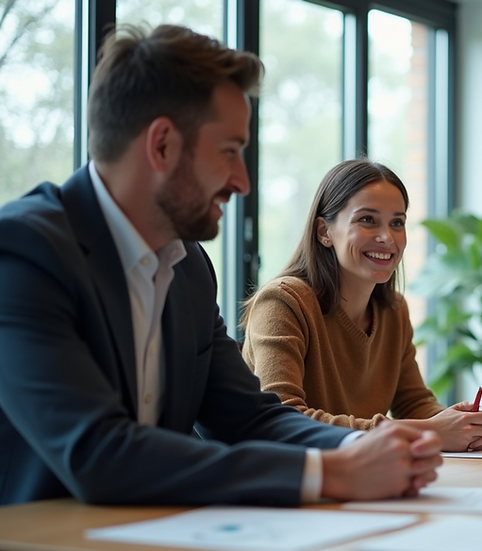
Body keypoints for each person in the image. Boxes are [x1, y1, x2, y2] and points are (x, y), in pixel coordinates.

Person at [0, 24, 442, 507]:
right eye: (230, 151)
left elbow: (250, 417)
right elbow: (97, 453)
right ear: (162, 144)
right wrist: (327, 472)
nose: (242, 181)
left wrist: (364, 447)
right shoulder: (25, 252)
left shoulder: (189, 267)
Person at [240, 160, 482, 452]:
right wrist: (430, 432)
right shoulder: (283, 302)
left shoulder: (394, 310)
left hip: (358, 475)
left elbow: (412, 402)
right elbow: (282, 420)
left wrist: (456, 424)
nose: (387, 237)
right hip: (287, 481)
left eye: (397, 223)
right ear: (324, 231)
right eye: (367, 220)